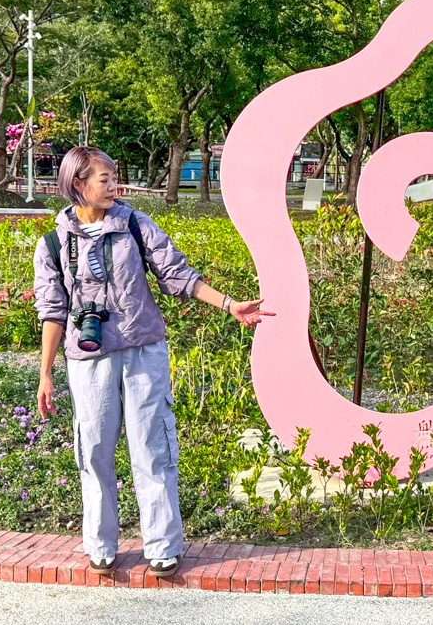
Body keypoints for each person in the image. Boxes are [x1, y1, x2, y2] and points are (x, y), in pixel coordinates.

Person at [33, 146, 274, 578]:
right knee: (93, 452)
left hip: (143, 349)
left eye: (113, 176)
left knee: (153, 447)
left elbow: (177, 274)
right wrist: (45, 373)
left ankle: (163, 546)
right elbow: (51, 311)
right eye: (104, 178)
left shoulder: (135, 226)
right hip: (88, 359)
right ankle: (100, 546)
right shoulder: (52, 243)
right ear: (77, 184)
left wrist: (229, 304)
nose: (114, 185)